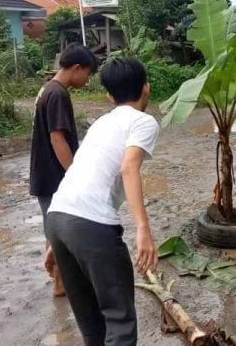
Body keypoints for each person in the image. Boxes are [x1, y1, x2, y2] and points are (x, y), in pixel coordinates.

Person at [45, 57, 159, 346]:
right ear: (146, 89)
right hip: (90, 226)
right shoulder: (143, 122)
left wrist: (54, 241)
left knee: (91, 322)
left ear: (109, 95)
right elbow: (129, 167)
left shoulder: (101, 123)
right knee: (119, 319)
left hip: (58, 219)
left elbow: (80, 174)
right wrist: (144, 230)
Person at [29, 43, 98, 297]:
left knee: (52, 227)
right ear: (76, 68)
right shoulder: (57, 94)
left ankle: (60, 279)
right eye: (88, 74)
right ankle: (59, 282)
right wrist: (74, 175)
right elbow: (58, 139)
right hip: (53, 175)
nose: (87, 81)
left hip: (44, 172)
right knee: (58, 231)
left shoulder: (48, 88)